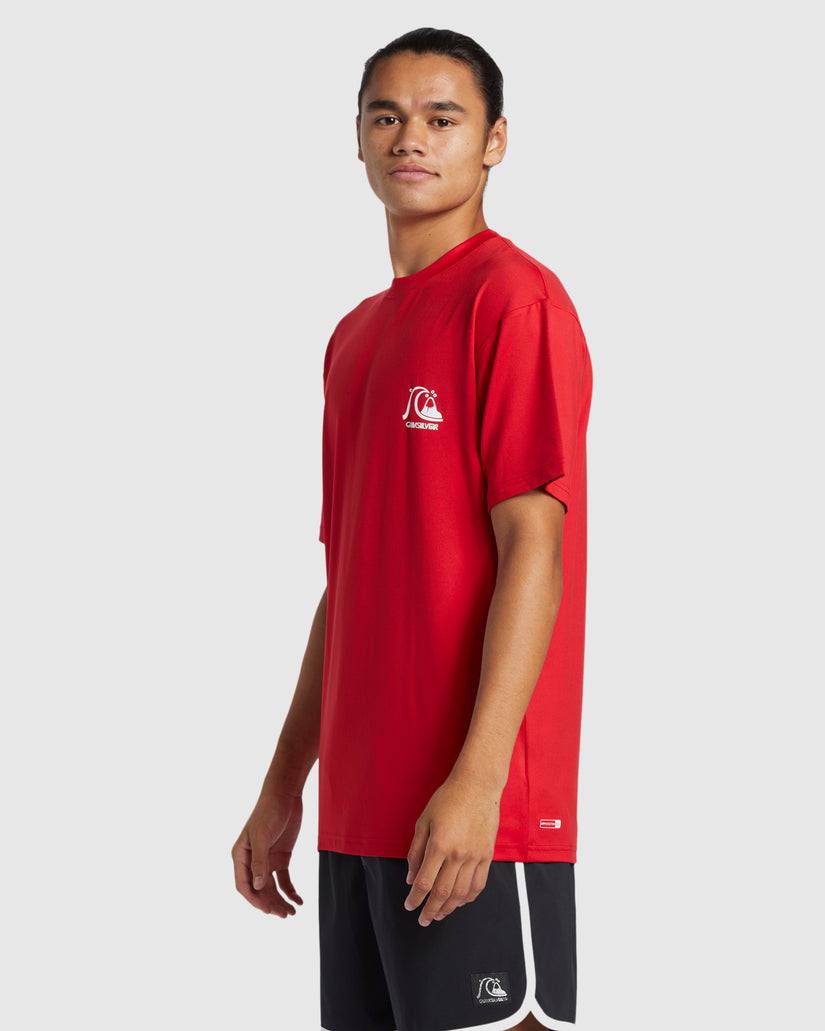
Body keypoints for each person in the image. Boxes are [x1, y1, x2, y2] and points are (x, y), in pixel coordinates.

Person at [232, 27, 593, 1031]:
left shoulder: (512, 300)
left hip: (473, 815)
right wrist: (284, 784)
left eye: (443, 117)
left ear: (494, 140)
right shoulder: (354, 338)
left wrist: (478, 781)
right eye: (386, 116)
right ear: (356, 138)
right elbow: (347, 585)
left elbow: (535, 547)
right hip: (358, 818)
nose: (410, 138)